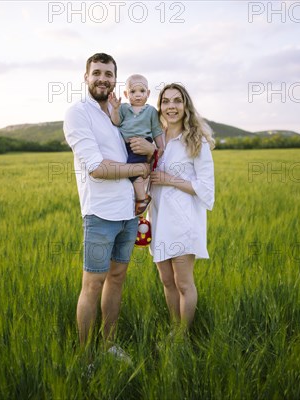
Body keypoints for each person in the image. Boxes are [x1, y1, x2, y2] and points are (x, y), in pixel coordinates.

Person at [63, 53, 151, 360]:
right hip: (100, 214)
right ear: (85, 77)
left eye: (108, 73)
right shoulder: (78, 113)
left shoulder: (120, 113)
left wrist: (147, 158)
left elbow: (141, 148)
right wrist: (137, 171)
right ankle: (86, 356)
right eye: (96, 72)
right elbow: (98, 168)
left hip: (130, 212)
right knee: (92, 284)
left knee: (117, 279)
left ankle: (109, 344)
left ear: (116, 79)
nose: (102, 78)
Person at [134, 83, 215, 334]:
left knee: (183, 282)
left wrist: (170, 179)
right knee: (167, 281)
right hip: (158, 219)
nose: (171, 106)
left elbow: (207, 188)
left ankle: (182, 336)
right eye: (166, 101)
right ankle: (174, 327)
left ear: (185, 105)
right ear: (160, 107)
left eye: (177, 101)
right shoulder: (154, 141)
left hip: (183, 221)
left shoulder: (196, 142)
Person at [109, 74, 165, 215]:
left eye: (142, 91)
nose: (138, 95)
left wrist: (160, 146)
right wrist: (115, 109)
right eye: (133, 92)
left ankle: (142, 198)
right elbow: (116, 122)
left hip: (141, 144)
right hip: (126, 146)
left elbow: (156, 130)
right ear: (126, 94)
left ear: (148, 93)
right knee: (129, 170)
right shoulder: (123, 108)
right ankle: (136, 196)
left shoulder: (151, 111)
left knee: (133, 170)